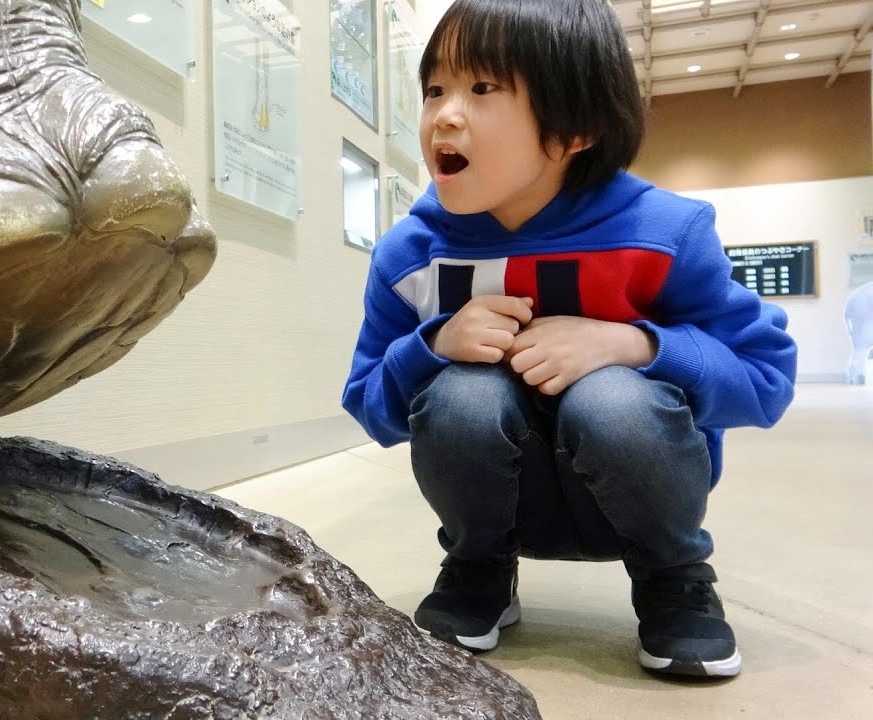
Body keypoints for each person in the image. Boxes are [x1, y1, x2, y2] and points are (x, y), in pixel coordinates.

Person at [340, 0, 796, 679]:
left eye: (483, 88)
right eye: (435, 87)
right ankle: (478, 574)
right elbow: (368, 405)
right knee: (462, 393)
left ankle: (675, 583)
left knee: (613, 399)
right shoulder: (410, 255)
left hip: (636, 496)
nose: (445, 114)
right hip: (495, 506)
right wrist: (432, 346)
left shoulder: (665, 232)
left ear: (577, 126)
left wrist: (637, 346)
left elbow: (765, 380)